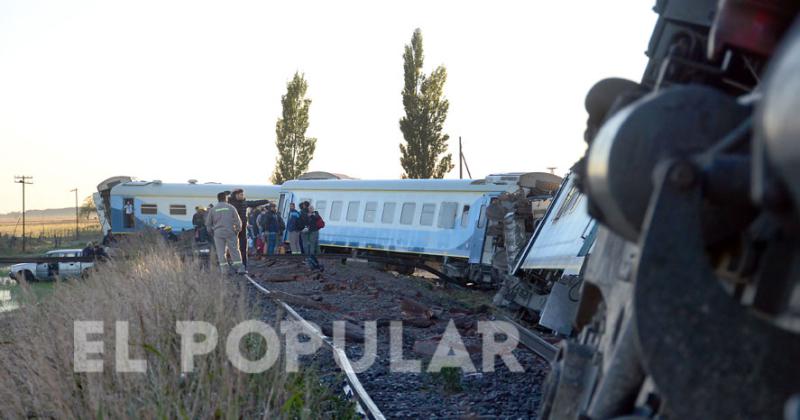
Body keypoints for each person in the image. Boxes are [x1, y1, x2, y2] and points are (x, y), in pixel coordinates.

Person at [227, 189, 270, 267]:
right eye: (241, 195)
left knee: (243, 246)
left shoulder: (244, 202)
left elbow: (254, 203)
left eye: (243, 194)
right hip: (233, 227)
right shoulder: (230, 204)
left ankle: (244, 264)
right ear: (236, 195)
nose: (243, 196)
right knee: (233, 246)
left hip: (242, 227)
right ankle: (234, 262)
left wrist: (266, 201)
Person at [206, 191, 245, 274]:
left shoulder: (213, 209)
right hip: (230, 232)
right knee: (234, 250)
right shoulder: (231, 208)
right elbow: (238, 222)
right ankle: (240, 268)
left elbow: (208, 224)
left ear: (218, 199)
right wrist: (237, 230)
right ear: (226, 198)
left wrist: (212, 232)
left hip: (218, 233)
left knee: (221, 252)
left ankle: (224, 270)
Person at [300, 202, 323, 271]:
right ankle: (312, 265)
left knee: (312, 248)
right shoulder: (305, 214)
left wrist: (311, 215)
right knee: (309, 247)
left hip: (314, 232)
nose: (310, 209)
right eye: (310, 208)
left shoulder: (315, 213)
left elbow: (317, 217)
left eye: (311, 208)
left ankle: (315, 264)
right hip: (309, 232)